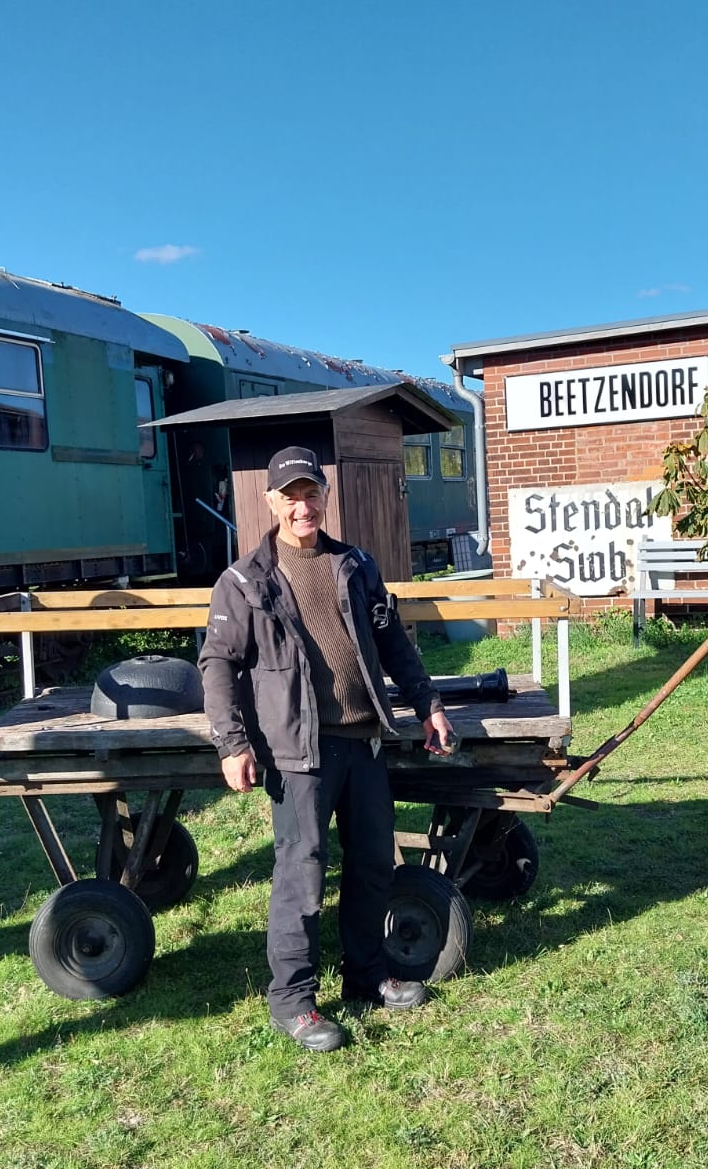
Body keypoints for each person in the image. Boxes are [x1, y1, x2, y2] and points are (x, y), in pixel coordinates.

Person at [198, 446, 456, 1051]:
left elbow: (394, 646)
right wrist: (232, 743)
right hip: (297, 753)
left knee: (372, 865)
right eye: (290, 497)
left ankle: (366, 977)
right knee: (302, 874)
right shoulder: (244, 581)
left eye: (311, 494)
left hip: (363, 742)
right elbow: (217, 665)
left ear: (325, 496)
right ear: (271, 503)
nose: (302, 507)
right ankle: (293, 1001)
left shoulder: (355, 565)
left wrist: (429, 705)